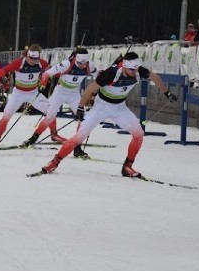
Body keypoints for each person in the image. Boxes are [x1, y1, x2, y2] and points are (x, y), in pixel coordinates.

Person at [39, 52, 177, 177]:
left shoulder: (138, 70)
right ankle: (54, 163)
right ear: (124, 66)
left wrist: (167, 92)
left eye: (136, 69)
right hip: (101, 107)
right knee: (78, 138)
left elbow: (155, 77)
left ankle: (127, 167)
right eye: (131, 69)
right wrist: (80, 107)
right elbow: (90, 89)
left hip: (119, 108)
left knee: (139, 134)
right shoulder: (111, 73)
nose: (134, 72)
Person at [19, 47, 98, 150]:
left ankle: (77, 147)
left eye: (84, 63)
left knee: (82, 118)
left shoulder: (90, 65)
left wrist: (95, 92)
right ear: (75, 58)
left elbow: (98, 77)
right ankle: (32, 140)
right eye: (79, 63)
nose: (82, 66)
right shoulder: (66, 64)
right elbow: (46, 74)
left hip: (74, 94)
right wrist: (42, 85)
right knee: (50, 116)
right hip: (60, 92)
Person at [0, 44, 50, 147]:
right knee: (6, 115)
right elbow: (4, 70)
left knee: (51, 111)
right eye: (31, 58)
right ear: (27, 55)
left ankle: (53, 135)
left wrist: (44, 82)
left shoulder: (41, 63)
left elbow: (49, 71)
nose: (33, 61)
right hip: (18, 94)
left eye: (36, 59)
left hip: (33, 93)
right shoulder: (19, 63)